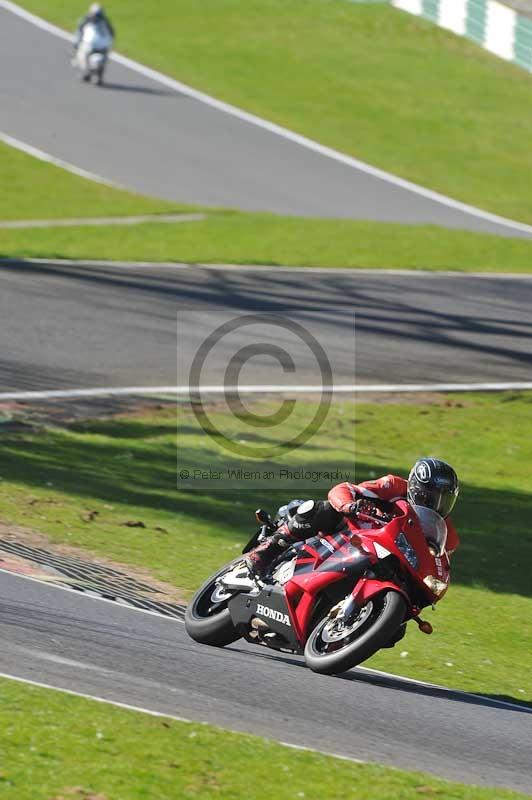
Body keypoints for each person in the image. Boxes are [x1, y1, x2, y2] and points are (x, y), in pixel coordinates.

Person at [245, 458, 460, 576]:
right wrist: (349, 505)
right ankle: (267, 550)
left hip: (382, 554)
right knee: (323, 509)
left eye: (444, 500)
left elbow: (436, 564)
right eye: (427, 497)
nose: (435, 505)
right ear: (413, 487)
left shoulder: (447, 535)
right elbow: (344, 488)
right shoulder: (393, 486)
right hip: (350, 531)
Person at [73, 4, 115, 81]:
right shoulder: (105, 21)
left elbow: (79, 30)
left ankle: (87, 72)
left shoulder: (87, 19)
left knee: (82, 53)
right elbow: (112, 33)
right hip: (102, 46)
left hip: (93, 45)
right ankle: (95, 74)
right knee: (104, 57)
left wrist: (77, 43)